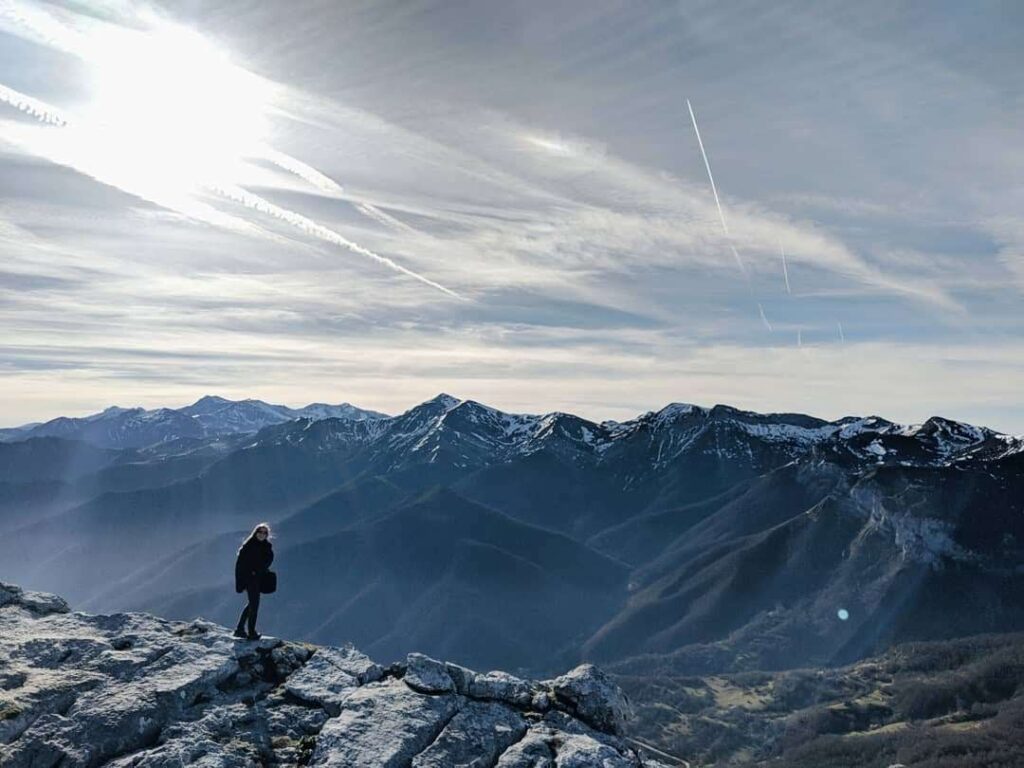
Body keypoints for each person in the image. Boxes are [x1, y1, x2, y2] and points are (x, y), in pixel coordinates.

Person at [234, 522, 273, 640]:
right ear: (255, 532)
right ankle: (251, 632)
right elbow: (240, 565)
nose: (262, 534)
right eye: (260, 532)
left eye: (264, 533)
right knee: (254, 605)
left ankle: (240, 629)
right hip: (250, 579)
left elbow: (267, 561)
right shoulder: (249, 546)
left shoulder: (266, 546)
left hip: (258, 578)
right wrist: (244, 579)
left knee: (252, 603)